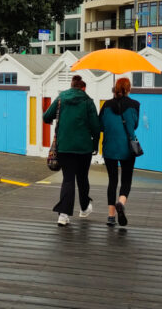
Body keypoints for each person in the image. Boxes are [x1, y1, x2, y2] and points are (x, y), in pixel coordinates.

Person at [42, 75, 100, 227]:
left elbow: (46, 116)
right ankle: (84, 208)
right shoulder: (88, 101)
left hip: (64, 146)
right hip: (84, 148)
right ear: (83, 88)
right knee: (82, 178)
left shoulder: (61, 98)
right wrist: (95, 145)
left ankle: (63, 215)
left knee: (68, 179)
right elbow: (96, 126)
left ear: (71, 86)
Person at [99, 77, 140, 227]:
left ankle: (111, 217)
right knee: (126, 179)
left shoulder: (106, 105)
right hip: (127, 148)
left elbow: (101, 125)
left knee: (112, 181)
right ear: (129, 89)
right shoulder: (135, 105)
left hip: (109, 147)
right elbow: (134, 126)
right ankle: (121, 202)